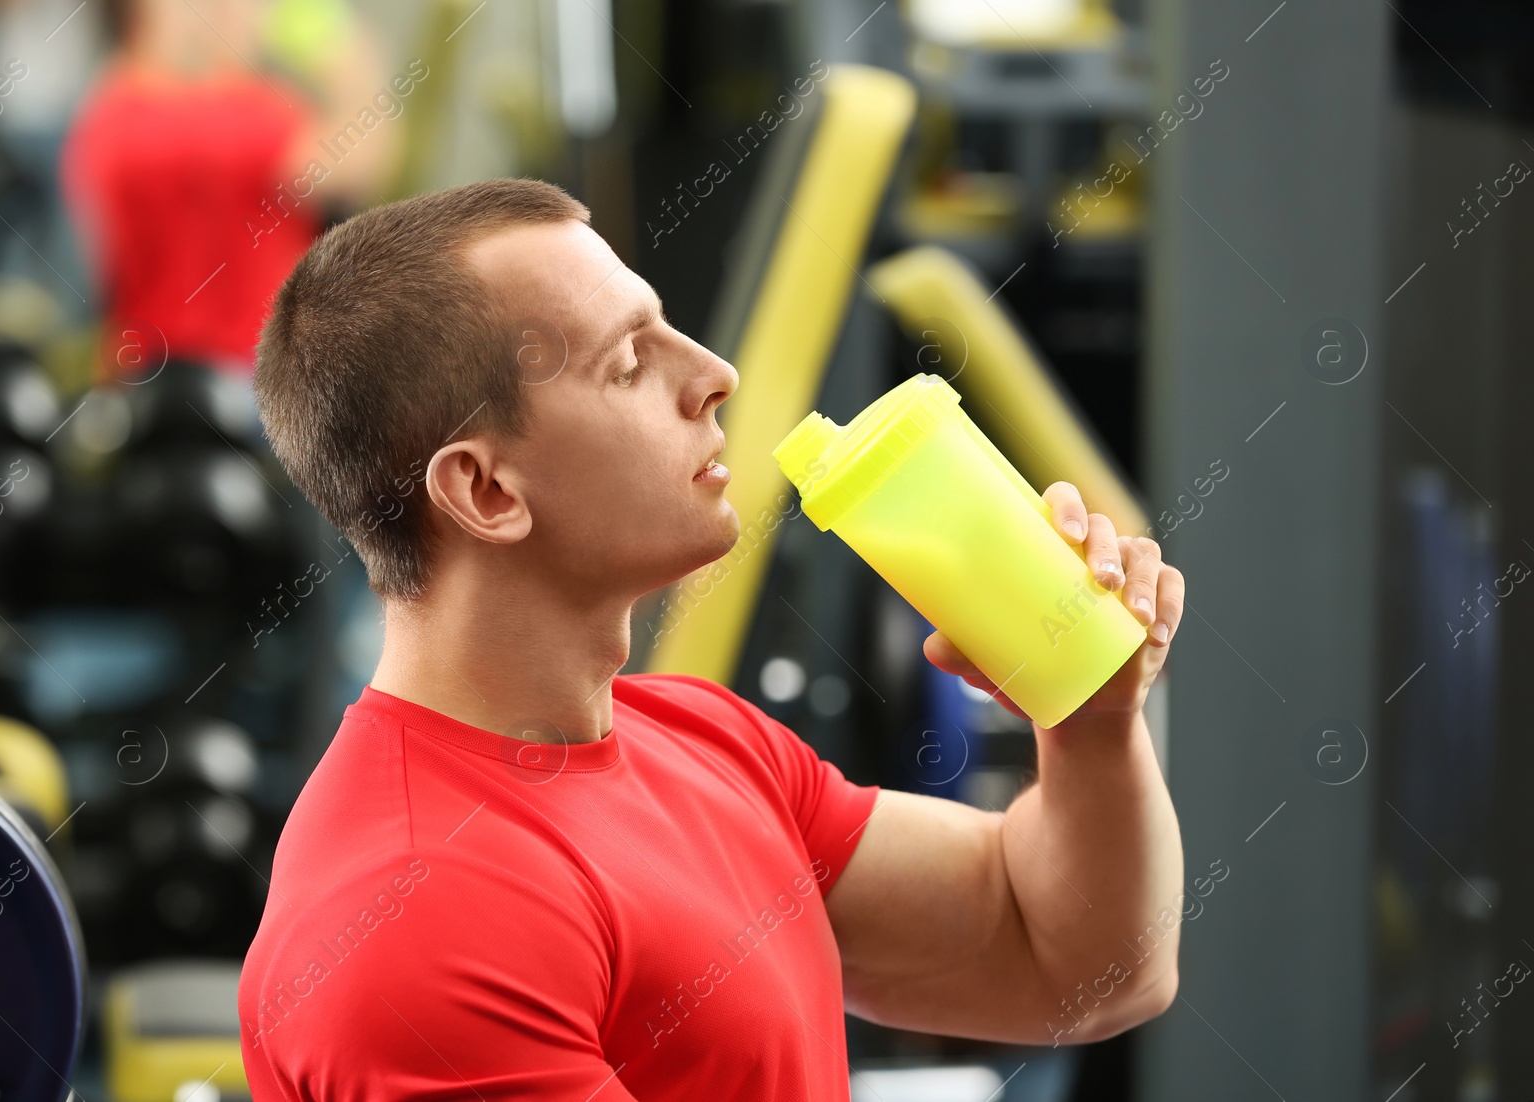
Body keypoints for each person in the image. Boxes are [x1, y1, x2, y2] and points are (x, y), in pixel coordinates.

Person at [238, 178, 1187, 1100]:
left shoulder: (700, 737)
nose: (713, 375)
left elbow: (1073, 964)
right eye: (629, 362)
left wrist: (1092, 717)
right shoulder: (420, 915)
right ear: (487, 493)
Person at [60, 0, 399, 376]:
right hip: (256, 388)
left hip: (140, 380)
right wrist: (336, 42)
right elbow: (365, 156)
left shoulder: (102, 117)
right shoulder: (252, 118)